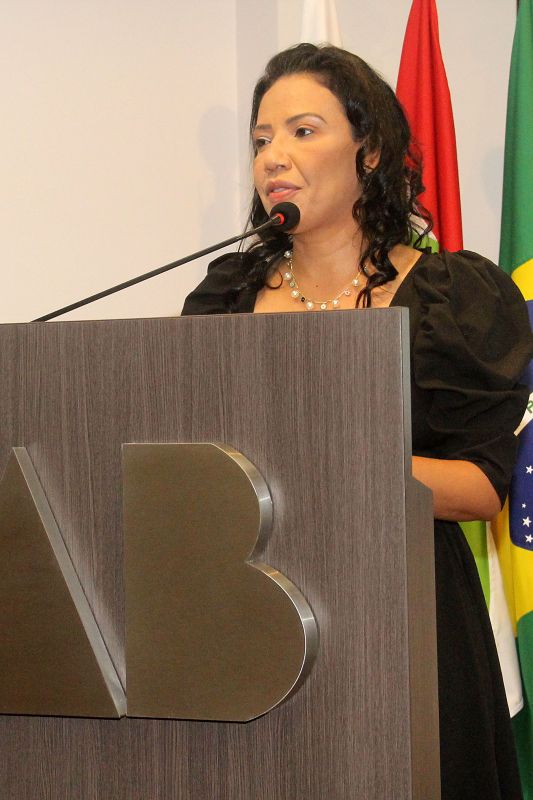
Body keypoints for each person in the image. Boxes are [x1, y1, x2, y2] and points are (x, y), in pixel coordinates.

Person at [181, 43, 533, 799]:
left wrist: (336, 461)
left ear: (368, 151)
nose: (273, 156)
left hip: (406, 618)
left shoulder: (450, 297)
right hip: (255, 614)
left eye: (302, 131)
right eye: (261, 139)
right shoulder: (224, 299)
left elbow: (479, 488)